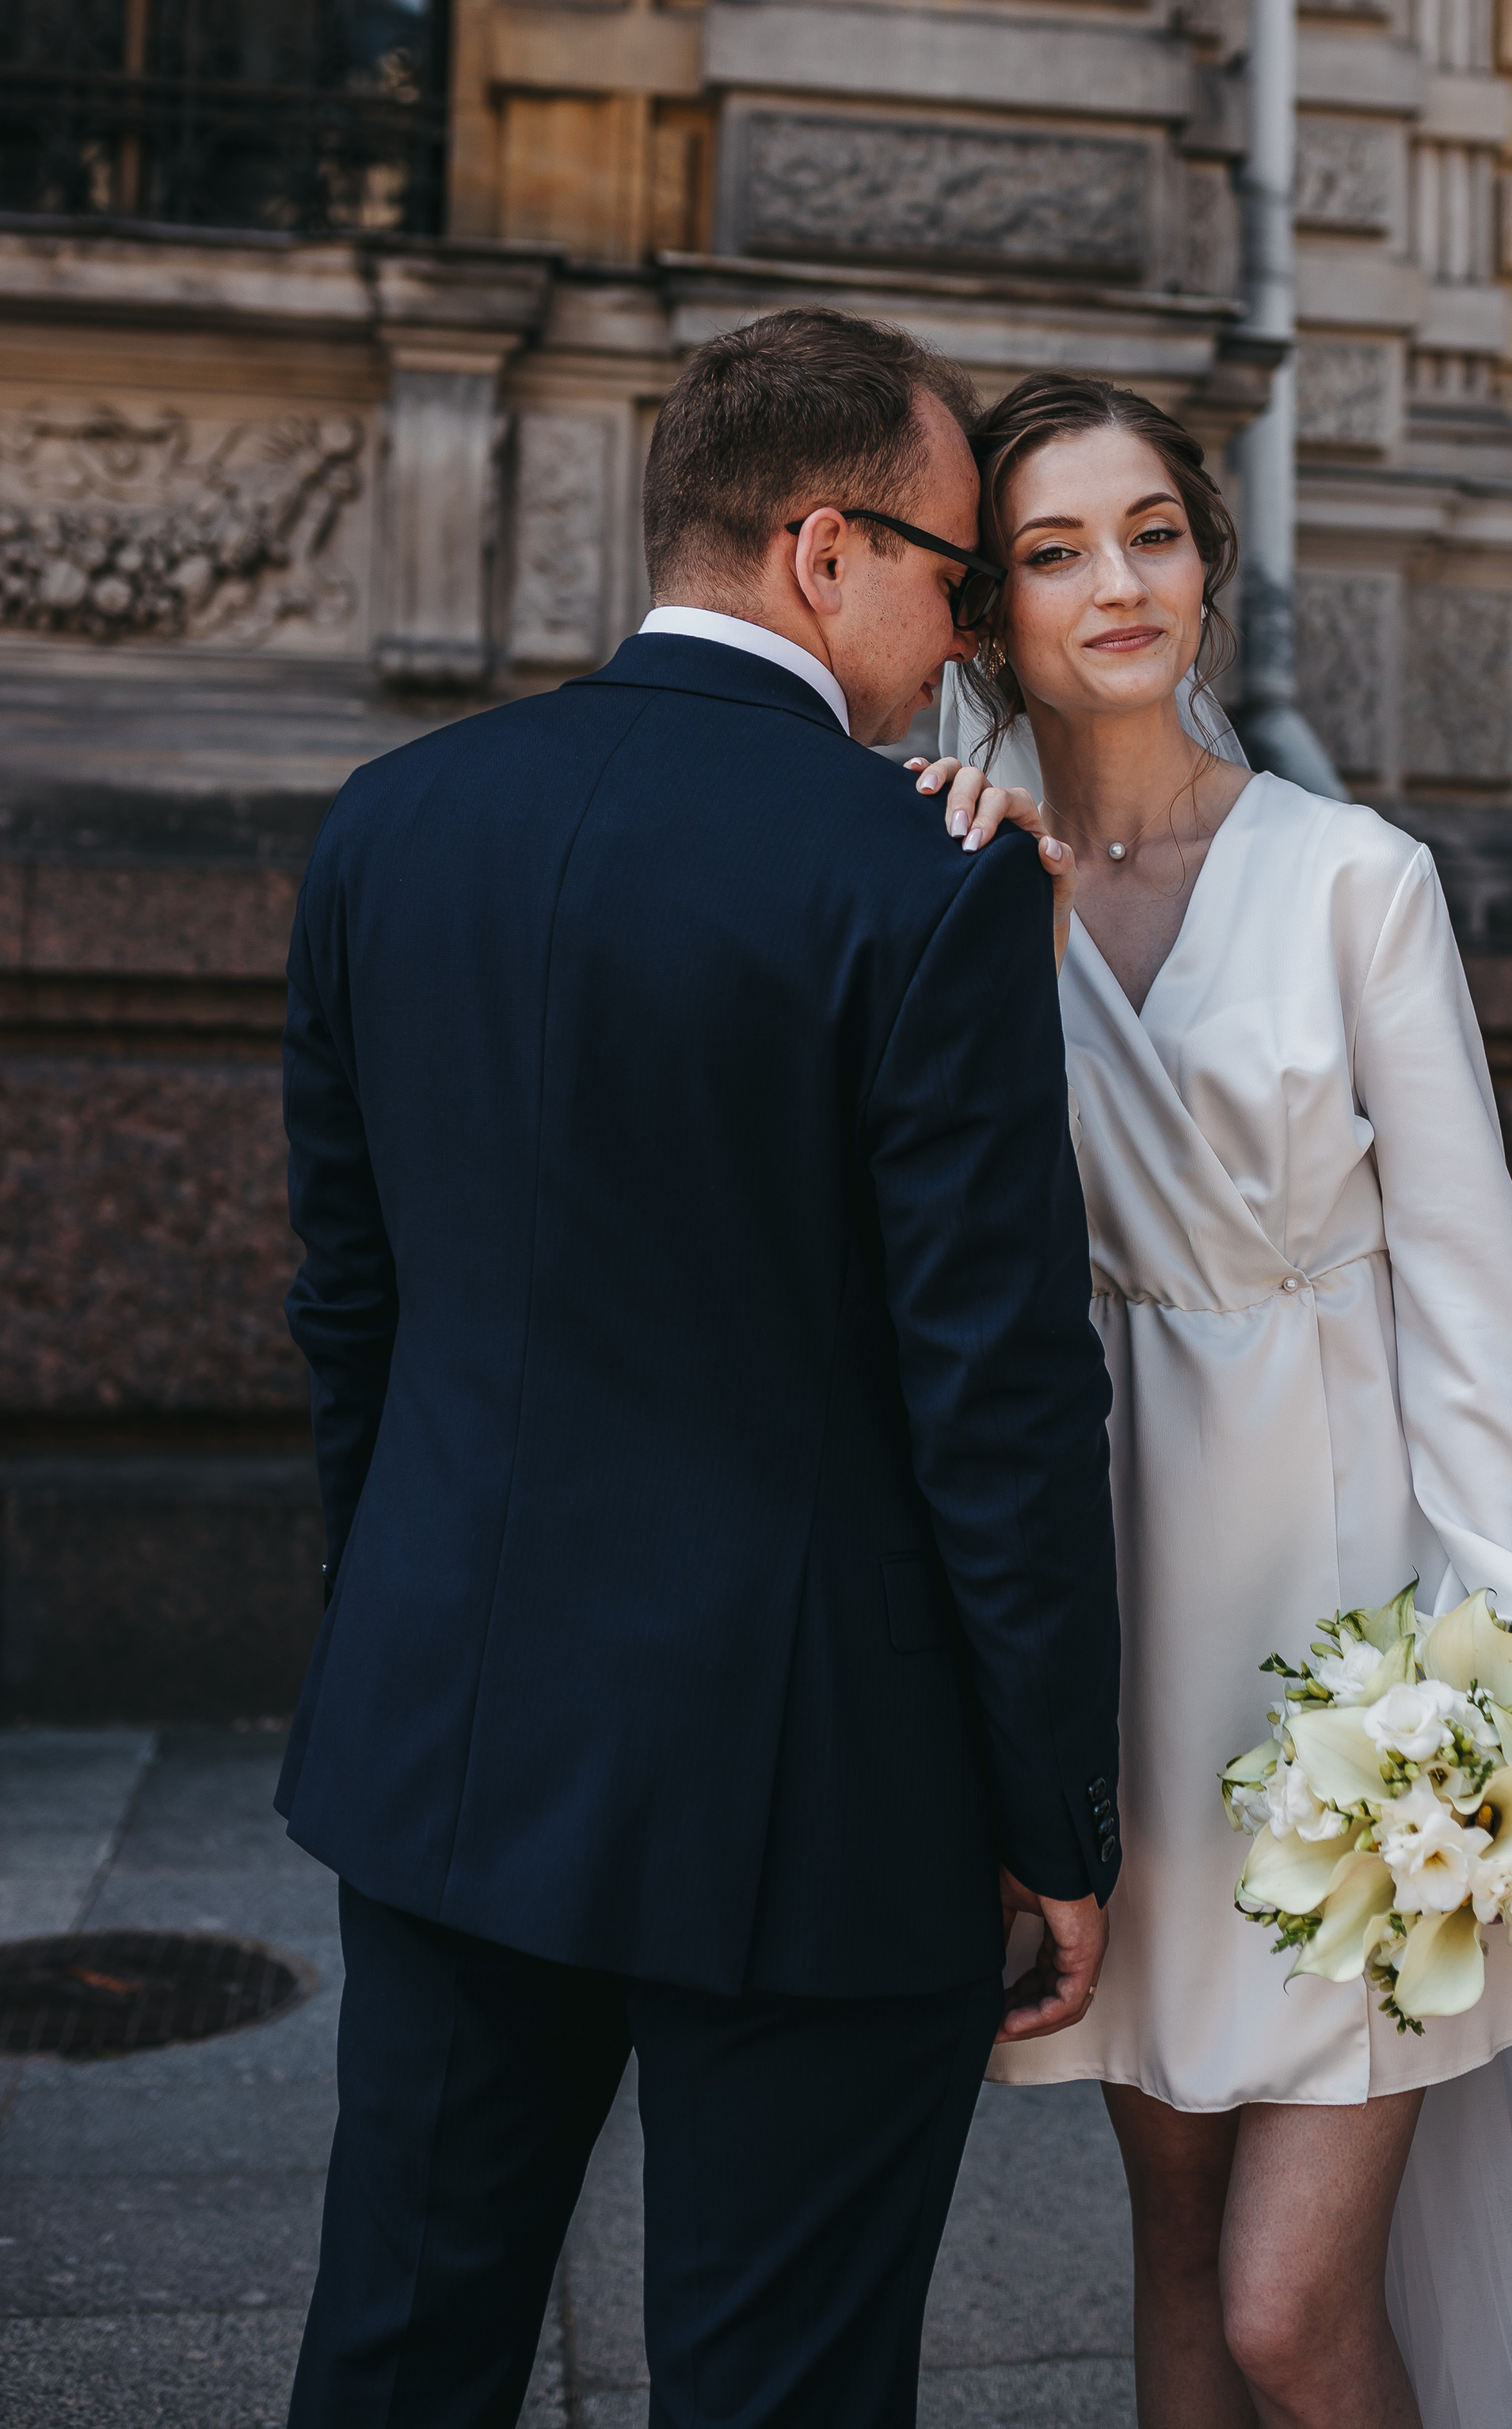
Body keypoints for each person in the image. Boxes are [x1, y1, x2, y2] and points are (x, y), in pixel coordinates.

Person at [276, 308, 1122, 2429]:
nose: (967, 645)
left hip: (448, 1740)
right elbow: (997, 1404)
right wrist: (1055, 1824)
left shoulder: (388, 825)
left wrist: (401, 1634)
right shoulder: (922, 889)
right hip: (814, 1799)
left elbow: (349, 1308)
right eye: (956, 574)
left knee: (395, 2346)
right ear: (828, 557)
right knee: (777, 2390)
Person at [909, 371, 1512, 2429]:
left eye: (1151, 531)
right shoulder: (952, 884)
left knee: (1279, 2310)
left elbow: (1475, 1282)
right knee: (1172, 2253)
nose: (1116, 582)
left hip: (1364, 1659)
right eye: (1054, 550)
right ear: (983, 613)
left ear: (1210, 573)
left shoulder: (1355, 879)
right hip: (1103, 1646)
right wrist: (978, 906)